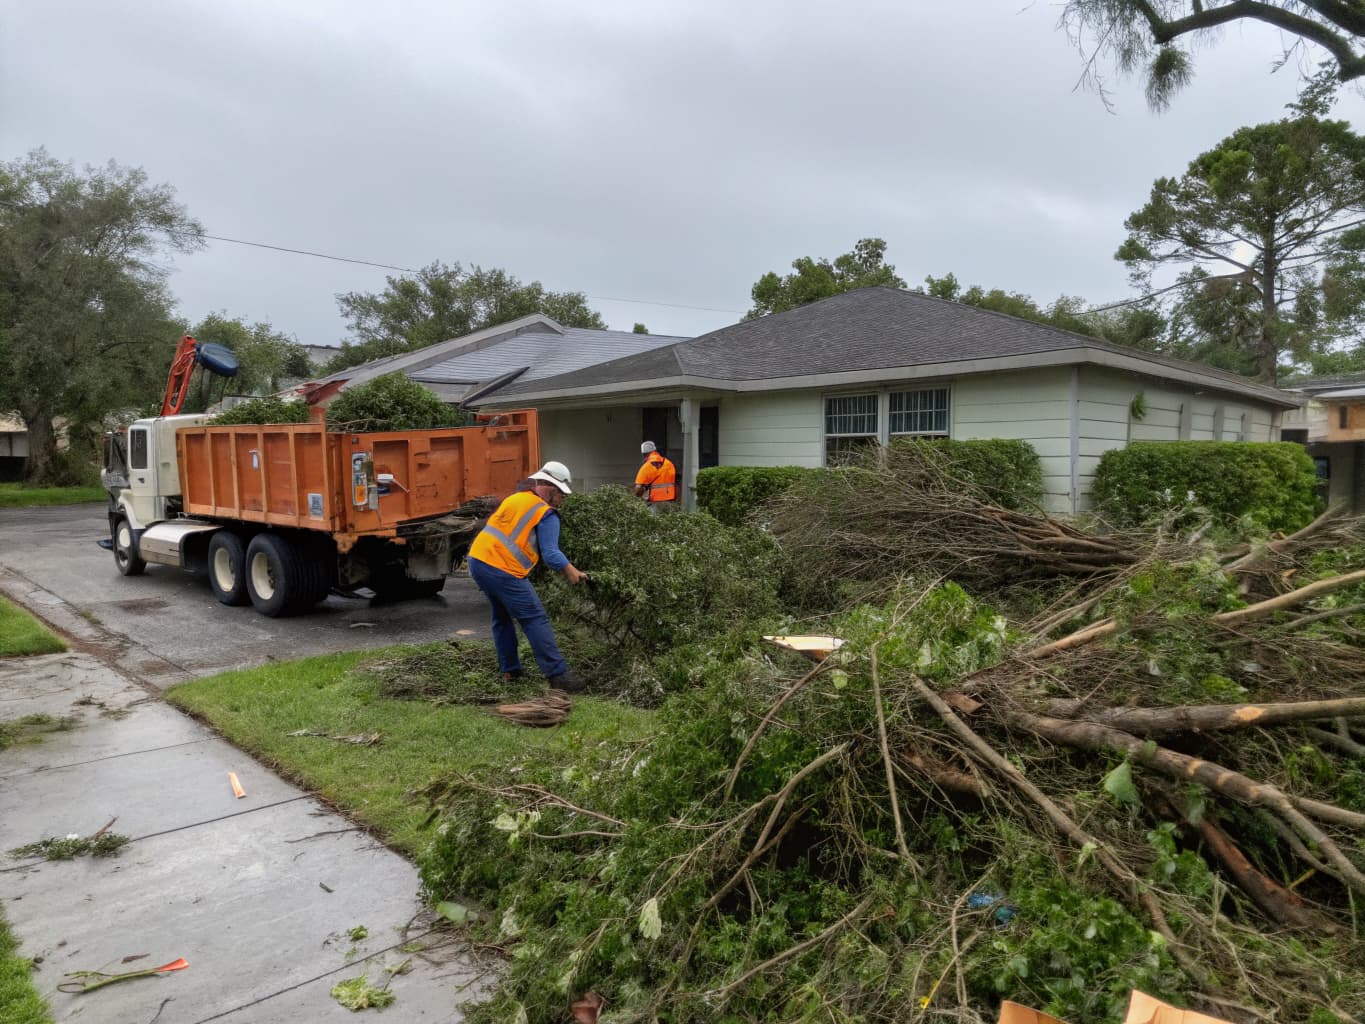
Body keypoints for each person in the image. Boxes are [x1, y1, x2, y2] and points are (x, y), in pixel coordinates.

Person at [466, 461, 588, 692]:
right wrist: (572, 572)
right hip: (502, 568)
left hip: (478, 561)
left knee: (501, 616)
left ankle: (510, 671)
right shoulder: (546, 513)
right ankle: (558, 677)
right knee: (535, 618)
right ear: (550, 488)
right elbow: (551, 555)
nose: (562, 500)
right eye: (562, 494)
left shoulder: (516, 498)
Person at [634, 440, 678, 508]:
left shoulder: (647, 466)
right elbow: (677, 483)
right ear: (655, 450)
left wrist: (638, 496)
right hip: (670, 501)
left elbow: (638, 489)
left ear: (644, 454)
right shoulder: (669, 464)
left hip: (654, 502)